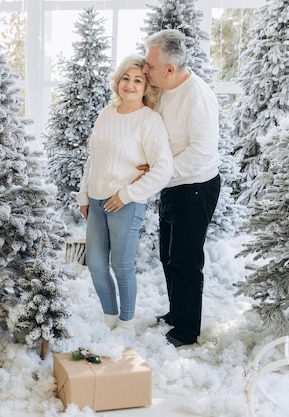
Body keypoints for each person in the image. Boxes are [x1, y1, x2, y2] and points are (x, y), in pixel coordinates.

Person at [76, 54, 173, 334]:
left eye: (138, 80)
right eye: (126, 78)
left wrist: (128, 194)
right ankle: (110, 321)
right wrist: (84, 195)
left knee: (120, 265)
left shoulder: (149, 121)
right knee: (95, 264)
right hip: (96, 201)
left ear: (146, 87)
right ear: (118, 82)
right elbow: (94, 159)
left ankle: (127, 325)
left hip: (125, 205)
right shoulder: (106, 113)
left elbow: (163, 169)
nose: (130, 85)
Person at [141, 29, 221, 347]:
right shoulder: (166, 87)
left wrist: (161, 171)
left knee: (186, 261)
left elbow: (202, 150)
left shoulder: (197, 97)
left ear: (170, 70)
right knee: (168, 256)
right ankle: (176, 314)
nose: (144, 70)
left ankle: (187, 331)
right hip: (172, 185)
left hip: (195, 188)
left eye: (149, 65)